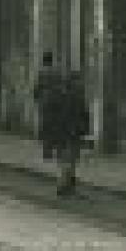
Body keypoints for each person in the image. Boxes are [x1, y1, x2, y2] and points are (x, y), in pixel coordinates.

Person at [42, 68, 89, 197]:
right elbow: (82, 116)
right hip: (67, 134)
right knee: (68, 160)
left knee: (69, 160)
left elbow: (84, 116)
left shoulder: (68, 96)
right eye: (78, 81)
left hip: (68, 134)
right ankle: (63, 186)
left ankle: (67, 186)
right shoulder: (69, 97)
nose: (81, 84)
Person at [31, 52, 59, 160]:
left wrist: (37, 99)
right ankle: (52, 148)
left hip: (44, 102)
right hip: (54, 102)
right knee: (53, 126)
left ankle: (47, 151)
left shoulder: (41, 73)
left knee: (45, 126)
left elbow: (37, 88)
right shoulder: (56, 73)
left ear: (44, 61)